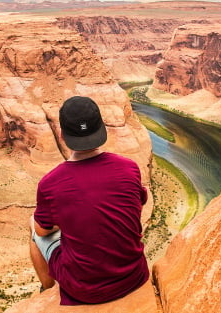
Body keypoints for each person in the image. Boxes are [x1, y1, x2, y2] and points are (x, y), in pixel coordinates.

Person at [29, 95, 149, 305]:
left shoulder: (51, 184)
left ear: (61, 135)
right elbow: (137, 204)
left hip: (85, 290)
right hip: (134, 277)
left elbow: (42, 231)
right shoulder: (129, 167)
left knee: (33, 228)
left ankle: (47, 291)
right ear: (102, 128)